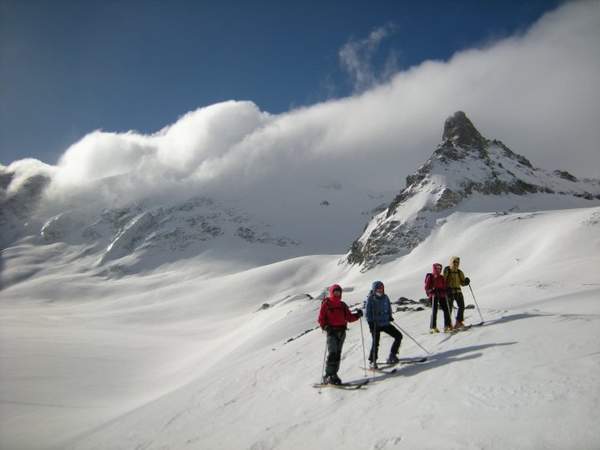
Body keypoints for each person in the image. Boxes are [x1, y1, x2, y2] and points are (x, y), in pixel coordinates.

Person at [318, 284, 362, 385]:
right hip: (332, 333)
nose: (337, 293)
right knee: (332, 354)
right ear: (332, 292)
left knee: (337, 354)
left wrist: (357, 315)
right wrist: (325, 327)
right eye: (335, 292)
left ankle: (334, 374)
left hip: (342, 332)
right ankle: (328, 375)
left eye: (339, 292)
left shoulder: (342, 305)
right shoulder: (326, 304)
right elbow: (321, 319)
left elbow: (349, 317)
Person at [364, 281, 403, 369]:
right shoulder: (371, 298)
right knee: (375, 343)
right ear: (374, 289)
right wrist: (371, 323)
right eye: (378, 288)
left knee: (398, 336)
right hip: (375, 324)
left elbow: (388, 307)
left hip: (385, 323)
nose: (380, 290)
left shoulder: (385, 297)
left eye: (382, 288)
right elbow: (367, 313)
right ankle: (372, 361)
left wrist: (390, 316)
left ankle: (392, 355)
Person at [443, 256, 470, 329]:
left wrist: (466, 282)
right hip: (449, 291)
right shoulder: (447, 270)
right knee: (449, 309)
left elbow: (462, 283)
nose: (456, 263)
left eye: (457, 262)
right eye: (454, 262)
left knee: (462, 306)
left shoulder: (459, 272)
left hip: (458, 291)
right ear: (451, 262)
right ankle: (447, 325)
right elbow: (443, 281)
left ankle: (458, 322)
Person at [424, 263, 452, 333]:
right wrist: (431, 290)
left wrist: (447, 289)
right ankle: (433, 327)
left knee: (446, 309)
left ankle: (447, 326)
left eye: (440, 268)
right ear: (434, 268)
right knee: (434, 310)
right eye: (437, 268)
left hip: (441, 295)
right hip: (433, 295)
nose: (439, 269)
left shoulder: (441, 277)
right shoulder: (430, 276)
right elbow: (426, 287)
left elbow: (444, 286)